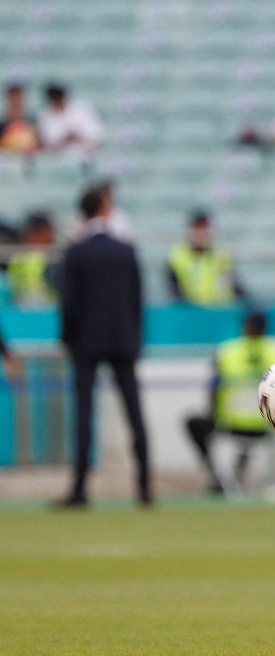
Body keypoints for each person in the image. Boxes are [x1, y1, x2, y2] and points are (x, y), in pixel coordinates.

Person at [58, 184, 150, 507]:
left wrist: (67, 338)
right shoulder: (125, 249)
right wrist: (137, 339)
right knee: (135, 414)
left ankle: (80, 488)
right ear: (102, 207)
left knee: (83, 414)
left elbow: (68, 302)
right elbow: (137, 299)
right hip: (123, 340)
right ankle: (144, 487)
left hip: (86, 341)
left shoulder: (76, 251)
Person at [185, 310, 275, 494]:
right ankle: (250, 477)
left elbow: (213, 390)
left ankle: (217, 477)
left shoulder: (227, 351)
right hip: (267, 426)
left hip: (230, 423)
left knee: (194, 423)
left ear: (245, 324)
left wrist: (214, 415)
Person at [167, 210, 246, 306]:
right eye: (198, 228)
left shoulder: (221, 256)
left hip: (220, 313)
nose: (202, 233)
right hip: (192, 315)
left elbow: (236, 287)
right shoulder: (177, 258)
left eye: (205, 228)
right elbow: (175, 292)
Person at [37, 82, 104, 158]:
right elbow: (46, 146)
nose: (58, 102)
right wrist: (65, 139)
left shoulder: (82, 109)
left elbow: (97, 139)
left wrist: (78, 137)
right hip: (59, 160)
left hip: (86, 158)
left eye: (59, 97)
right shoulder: (45, 116)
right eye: (55, 99)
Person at [6, 210, 59, 306]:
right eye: (50, 230)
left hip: (19, 307)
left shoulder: (16, 257)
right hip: (43, 309)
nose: (52, 235)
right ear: (42, 232)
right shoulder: (47, 258)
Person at [0, 82, 42, 155]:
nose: (16, 102)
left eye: (19, 98)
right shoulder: (2, 125)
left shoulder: (32, 123)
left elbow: (40, 145)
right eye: (13, 99)